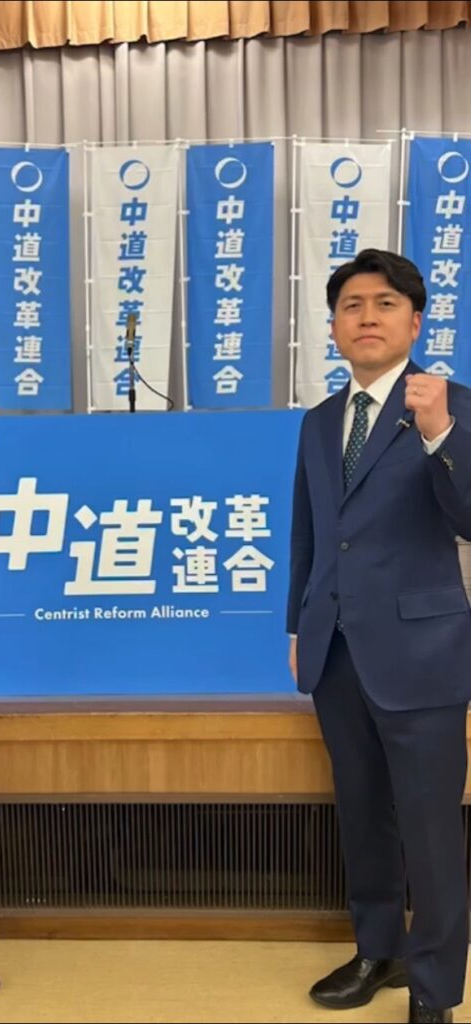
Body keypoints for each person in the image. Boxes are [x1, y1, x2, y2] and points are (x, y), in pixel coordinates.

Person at [287, 249, 471, 1024]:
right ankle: (377, 950)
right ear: (332, 326)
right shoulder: (318, 422)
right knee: (362, 812)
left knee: (429, 828)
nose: (367, 316)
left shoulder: (451, 404)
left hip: (422, 653)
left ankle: (433, 987)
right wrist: (296, 624)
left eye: (385, 303)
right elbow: (308, 532)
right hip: (334, 648)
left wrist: (439, 435)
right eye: (351, 305)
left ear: (415, 322)